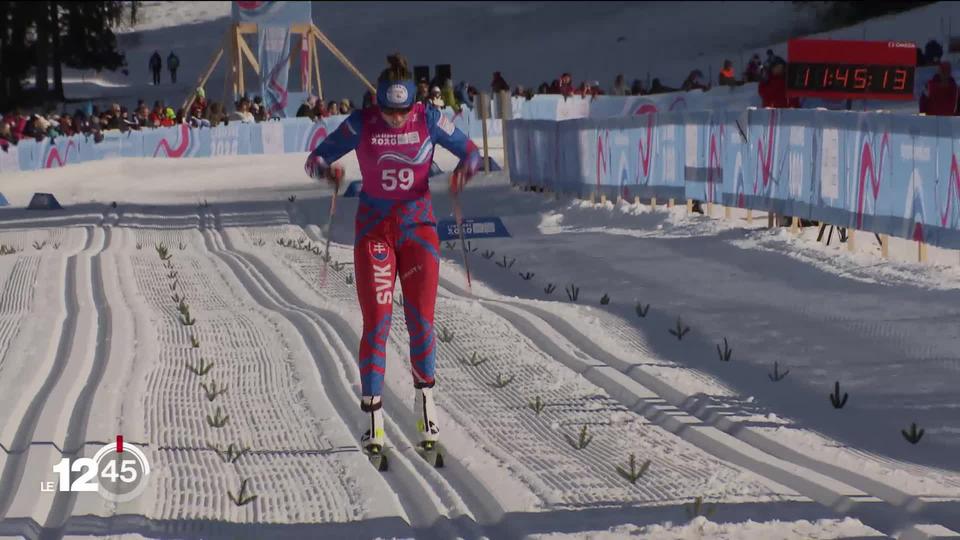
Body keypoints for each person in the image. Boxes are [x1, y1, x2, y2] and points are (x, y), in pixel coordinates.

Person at [303, 53, 480, 459]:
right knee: (378, 323)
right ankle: (372, 421)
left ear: (412, 104)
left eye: (402, 112)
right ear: (376, 103)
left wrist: (461, 174)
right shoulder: (362, 123)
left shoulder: (430, 119)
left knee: (421, 321)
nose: (397, 119)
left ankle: (426, 409)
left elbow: (472, 154)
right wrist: (327, 173)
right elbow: (315, 159)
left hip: (418, 231)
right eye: (389, 111)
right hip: (374, 235)